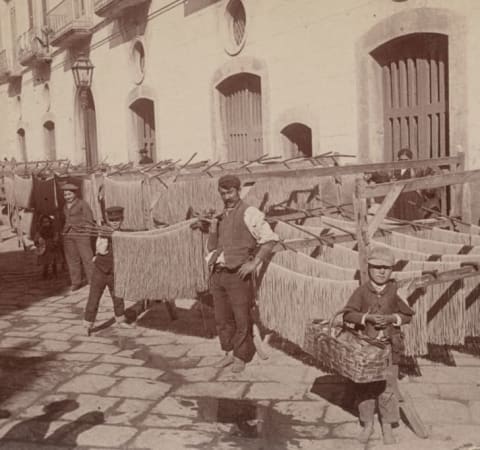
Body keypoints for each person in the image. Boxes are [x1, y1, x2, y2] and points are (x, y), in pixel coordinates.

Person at [202, 174, 279, 373]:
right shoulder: (220, 217)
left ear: (238, 191)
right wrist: (212, 228)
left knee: (241, 317)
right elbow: (212, 247)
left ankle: (240, 356)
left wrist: (254, 263)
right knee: (221, 318)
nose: (226, 197)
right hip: (218, 274)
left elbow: (269, 240)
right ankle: (228, 352)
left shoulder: (250, 213)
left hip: (238, 275)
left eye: (230, 192)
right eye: (222, 193)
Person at [343, 246, 415, 445]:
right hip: (366, 349)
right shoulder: (362, 291)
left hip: (390, 348)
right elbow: (348, 313)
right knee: (365, 386)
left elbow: (408, 315)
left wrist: (393, 318)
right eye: (377, 267)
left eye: (386, 268)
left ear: (392, 270)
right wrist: (366, 317)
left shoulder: (395, 291)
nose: (381, 272)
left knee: (388, 387)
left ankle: (387, 425)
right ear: (369, 269)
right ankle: (367, 423)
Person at [83, 206, 133, 335]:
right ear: (107, 220)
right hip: (100, 271)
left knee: (118, 296)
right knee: (94, 297)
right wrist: (105, 235)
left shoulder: (124, 234)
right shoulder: (102, 232)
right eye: (112, 220)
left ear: (122, 220)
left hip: (115, 271)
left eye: (117, 220)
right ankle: (88, 324)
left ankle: (120, 319)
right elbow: (101, 250)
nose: (115, 222)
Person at [61, 183, 94, 291]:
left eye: (69, 194)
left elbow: (89, 220)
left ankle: (92, 281)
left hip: (81, 234)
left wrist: (87, 234)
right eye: (65, 195)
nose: (67, 197)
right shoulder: (64, 206)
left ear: (74, 194)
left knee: (87, 258)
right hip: (68, 235)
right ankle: (76, 282)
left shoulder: (82, 204)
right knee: (72, 259)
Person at [33, 215, 61, 279]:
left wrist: (55, 242)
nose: (46, 223)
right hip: (44, 247)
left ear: (50, 222)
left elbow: (56, 236)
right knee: (46, 262)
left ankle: (55, 273)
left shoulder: (53, 229)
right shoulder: (40, 230)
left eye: (47, 222)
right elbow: (37, 237)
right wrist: (37, 242)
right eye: (44, 222)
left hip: (52, 246)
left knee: (54, 261)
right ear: (41, 223)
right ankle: (45, 273)